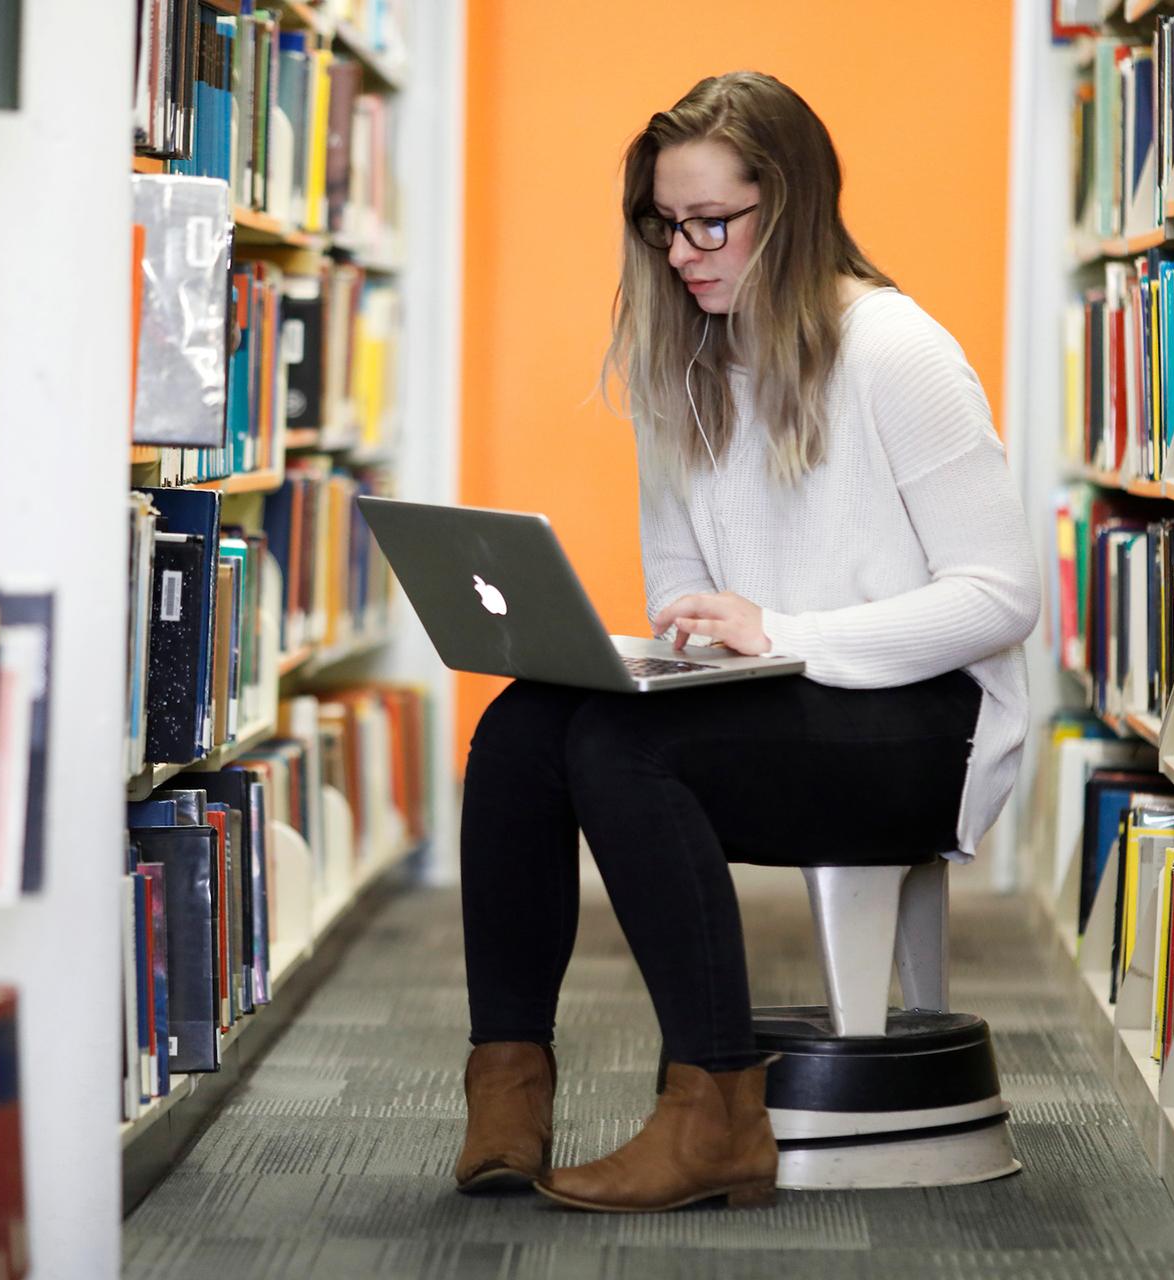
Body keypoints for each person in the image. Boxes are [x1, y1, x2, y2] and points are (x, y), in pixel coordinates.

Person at [451, 71, 1040, 1214]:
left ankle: (717, 1108)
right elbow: (683, 587)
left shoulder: (897, 352)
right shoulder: (687, 362)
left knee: (628, 751)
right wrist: (670, 649)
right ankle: (506, 1082)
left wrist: (787, 631)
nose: (681, 252)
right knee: (526, 722)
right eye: (664, 224)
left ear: (797, 206)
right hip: (781, 698)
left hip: (925, 723)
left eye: (711, 222)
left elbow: (999, 596)